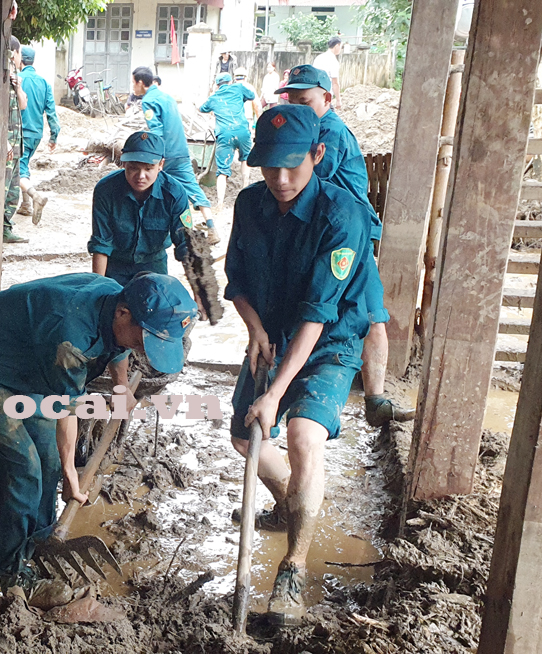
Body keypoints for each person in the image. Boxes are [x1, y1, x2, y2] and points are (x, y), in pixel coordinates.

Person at [0, 272, 196, 607]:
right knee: (22, 467)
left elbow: (119, 346)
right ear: (123, 313)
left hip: (29, 361)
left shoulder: (116, 297)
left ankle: (41, 546)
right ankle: (14, 576)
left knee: (46, 461)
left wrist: (121, 388)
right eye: (146, 338)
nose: (144, 348)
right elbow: (65, 412)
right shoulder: (70, 343)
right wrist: (71, 475)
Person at [225, 104, 375, 626]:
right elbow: (236, 279)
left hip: (330, 336)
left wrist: (275, 393)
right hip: (274, 331)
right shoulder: (249, 204)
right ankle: (296, 504)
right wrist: (256, 329)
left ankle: (294, 565)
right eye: (269, 167)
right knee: (246, 440)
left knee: (302, 435)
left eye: (293, 165)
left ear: (318, 155)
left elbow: (317, 312)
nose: (281, 179)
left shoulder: (343, 216)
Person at [279, 64, 415, 426]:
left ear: (327, 97)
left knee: (370, 316)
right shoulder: (307, 129)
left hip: (349, 236)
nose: (297, 106)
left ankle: (375, 401)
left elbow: (304, 183)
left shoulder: (329, 132)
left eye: (304, 100)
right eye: (292, 100)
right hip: (323, 234)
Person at [88, 132, 198, 286]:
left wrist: (199, 296)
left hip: (154, 265)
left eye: (148, 168)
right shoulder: (106, 190)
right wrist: (97, 288)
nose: (141, 176)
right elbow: (101, 244)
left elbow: (186, 245)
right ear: (124, 163)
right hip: (115, 265)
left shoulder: (175, 194)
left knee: (157, 306)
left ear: (160, 165)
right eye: (133, 168)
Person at [132, 66, 215, 233]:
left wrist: (151, 153)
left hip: (165, 154)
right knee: (192, 188)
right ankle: (212, 226)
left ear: (140, 83)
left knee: (151, 187)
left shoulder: (148, 101)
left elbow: (156, 130)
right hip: (181, 151)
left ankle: (147, 227)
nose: (132, 87)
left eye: (133, 83)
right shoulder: (168, 98)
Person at [199, 72, 259, 210]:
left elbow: (202, 108)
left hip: (224, 134)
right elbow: (251, 95)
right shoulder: (238, 87)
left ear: (217, 85)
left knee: (223, 170)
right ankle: (245, 189)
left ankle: (220, 203)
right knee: (245, 159)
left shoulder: (213, 98)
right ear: (230, 81)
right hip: (243, 131)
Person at [16, 45, 59, 225]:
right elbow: (51, 112)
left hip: (19, 132)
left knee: (17, 168)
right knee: (23, 164)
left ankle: (35, 197)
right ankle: (26, 204)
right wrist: (53, 136)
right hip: (35, 133)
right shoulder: (44, 83)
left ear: (20, 59)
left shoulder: (17, 79)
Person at [2, 36, 30, 244]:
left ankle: (5, 228)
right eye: (19, 52)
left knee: (12, 190)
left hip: (16, 139)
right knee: (3, 189)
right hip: (7, 142)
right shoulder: (0, 77)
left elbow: (22, 105)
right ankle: (0, 228)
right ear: (13, 53)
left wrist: (18, 87)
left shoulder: (14, 76)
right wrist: (5, 142)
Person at [312, 36, 343, 109]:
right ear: (337, 46)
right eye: (341, 46)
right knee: (331, 119)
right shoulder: (333, 61)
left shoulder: (319, 58)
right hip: (325, 96)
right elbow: (335, 83)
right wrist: (338, 100)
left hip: (314, 93)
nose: (341, 49)